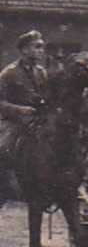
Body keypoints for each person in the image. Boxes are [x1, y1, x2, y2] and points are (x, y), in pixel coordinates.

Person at [0, 30, 50, 163]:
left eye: (42, 47)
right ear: (25, 50)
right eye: (37, 46)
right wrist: (20, 110)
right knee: (4, 148)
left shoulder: (41, 73)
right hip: (14, 123)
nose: (41, 51)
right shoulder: (9, 73)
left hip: (37, 121)